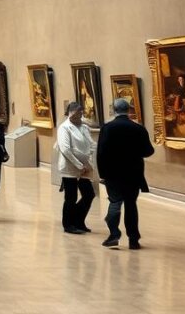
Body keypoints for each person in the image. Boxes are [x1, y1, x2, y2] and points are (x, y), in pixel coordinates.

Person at [97, 98, 155, 249]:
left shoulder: (108, 128)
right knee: (131, 205)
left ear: (114, 110)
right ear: (129, 110)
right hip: (133, 173)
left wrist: (102, 173)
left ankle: (114, 234)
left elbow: (101, 152)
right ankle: (133, 239)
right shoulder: (138, 128)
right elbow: (148, 151)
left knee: (115, 202)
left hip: (113, 173)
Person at [57, 101, 95, 235]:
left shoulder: (84, 127)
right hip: (70, 167)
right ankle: (68, 224)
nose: (79, 115)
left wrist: (87, 161)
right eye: (77, 112)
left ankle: (78, 220)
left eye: (81, 112)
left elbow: (91, 144)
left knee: (89, 195)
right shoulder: (64, 128)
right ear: (70, 113)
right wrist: (79, 165)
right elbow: (65, 149)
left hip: (85, 166)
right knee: (71, 197)